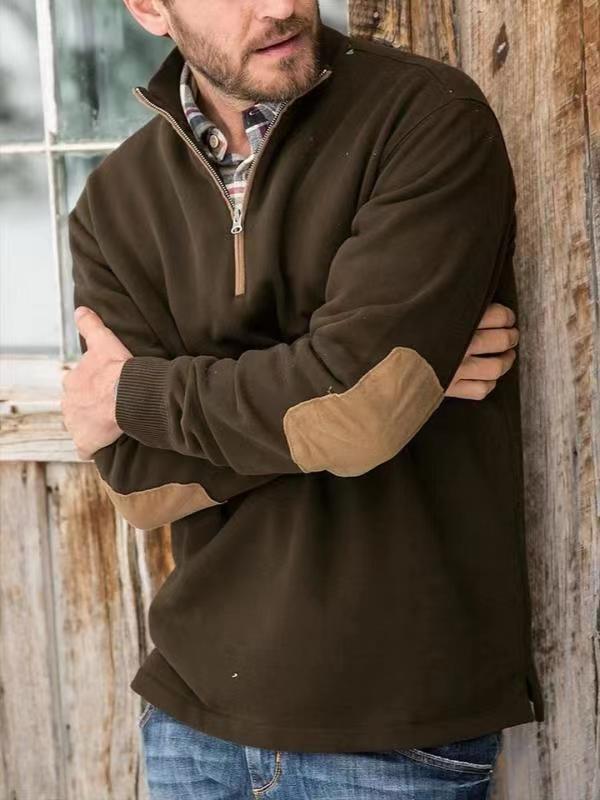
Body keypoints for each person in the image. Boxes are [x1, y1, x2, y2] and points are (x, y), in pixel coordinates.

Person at [61, 0, 545, 797]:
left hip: (390, 728)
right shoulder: (114, 204)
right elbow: (141, 482)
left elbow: (356, 411)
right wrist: (365, 389)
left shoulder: (424, 117)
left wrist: (132, 393)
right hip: (192, 720)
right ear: (149, 8)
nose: (281, 5)